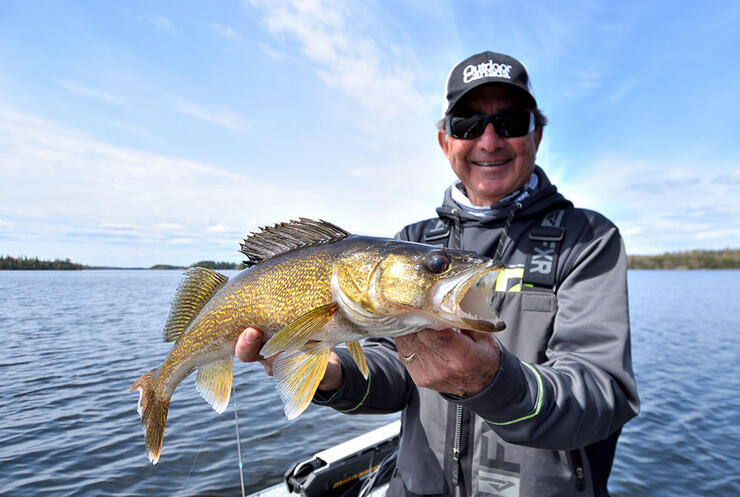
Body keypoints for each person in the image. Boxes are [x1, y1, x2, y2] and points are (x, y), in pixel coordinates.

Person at [236, 51, 639, 497]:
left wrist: (494, 384)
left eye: (510, 122)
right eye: (467, 123)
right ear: (445, 140)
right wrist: (334, 374)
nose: (489, 141)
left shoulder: (589, 238)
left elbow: (602, 394)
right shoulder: (411, 238)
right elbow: (393, 373)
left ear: (537, 135)